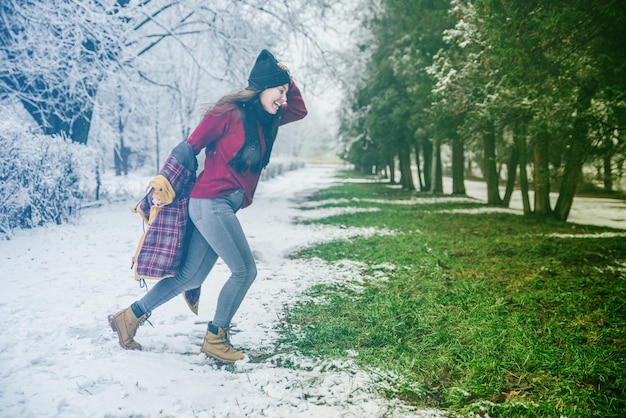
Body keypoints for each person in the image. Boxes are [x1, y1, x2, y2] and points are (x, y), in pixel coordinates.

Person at [108, 49, 307, 363]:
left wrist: (287, 78)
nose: (283, 98)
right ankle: (216, 336)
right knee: (245, 271)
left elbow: (299, 109)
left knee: (190, 277)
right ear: (262, 87)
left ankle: (128, 318)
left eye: (284, 92)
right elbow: (190, 146)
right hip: (210, 203)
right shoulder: (228, 112)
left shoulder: (268, 118)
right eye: (279, 91)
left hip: (220, 206)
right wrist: (162, 185)